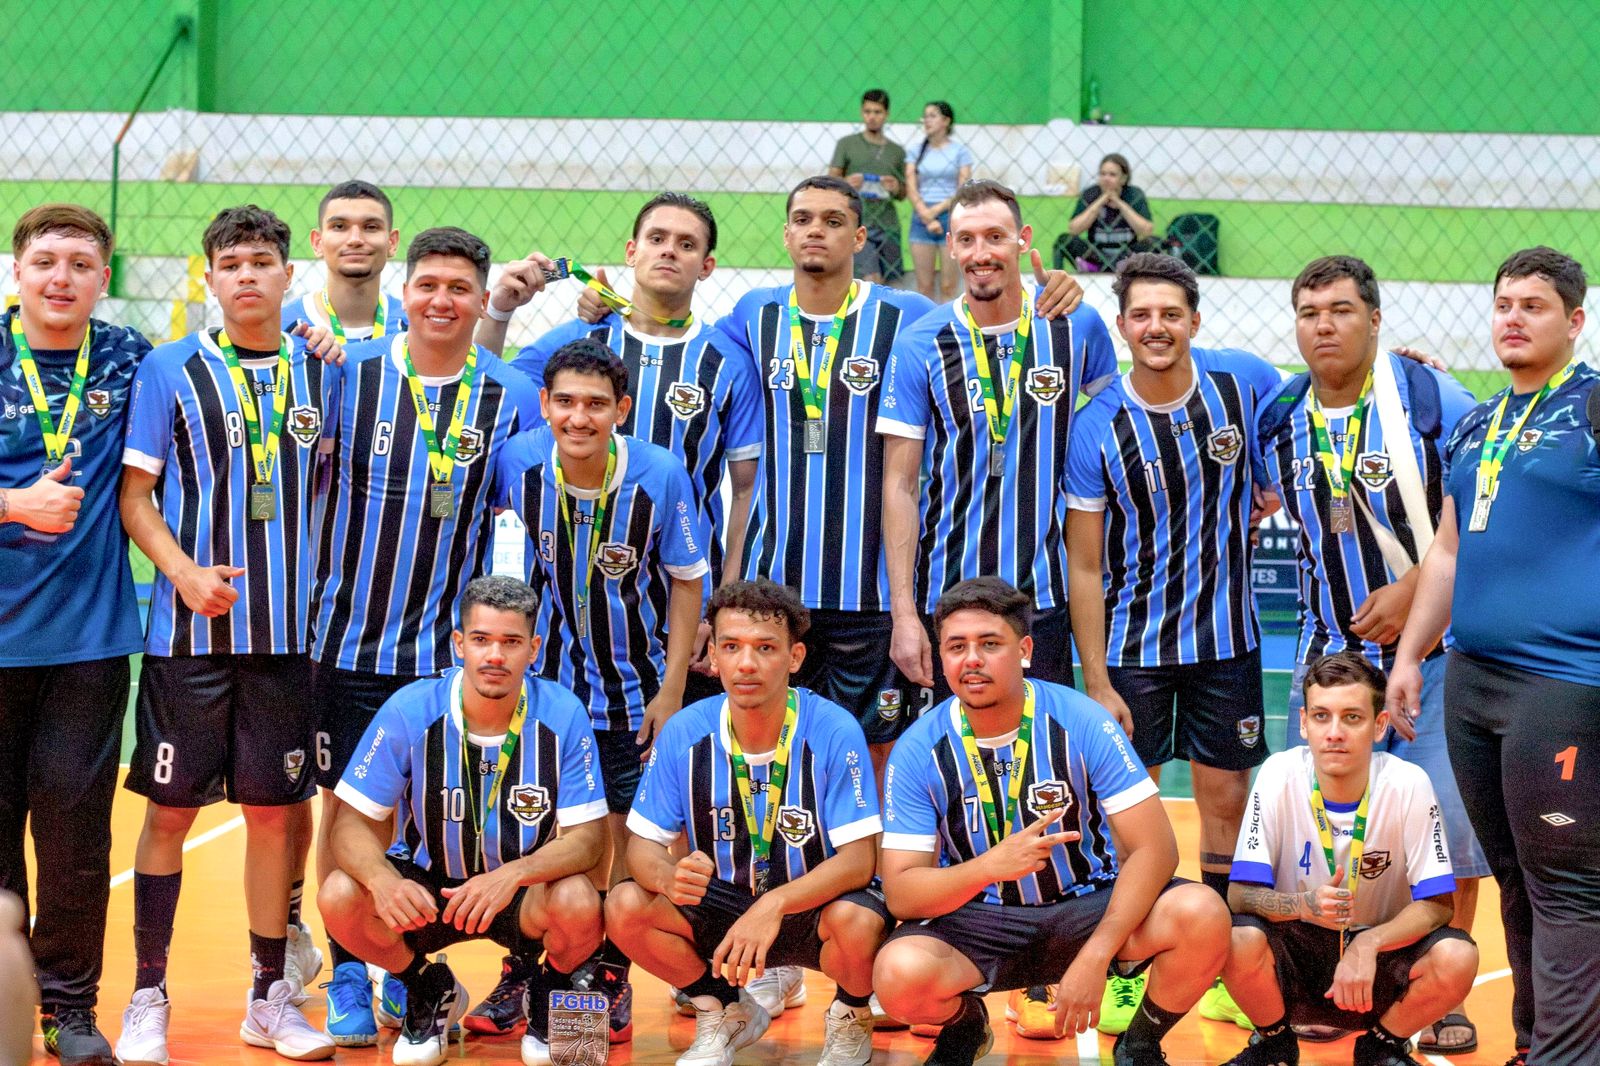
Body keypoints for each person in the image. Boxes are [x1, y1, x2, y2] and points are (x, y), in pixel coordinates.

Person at [116, 204, 337, 1062]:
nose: (247, 275)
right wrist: (183, 572)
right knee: (169, 814)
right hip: (189, 637)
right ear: (211, 278)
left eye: (262, 262)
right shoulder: (168, 370)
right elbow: (137, 497)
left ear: (289, 276)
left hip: (289, 638)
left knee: (275, 818)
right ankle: (147, 996)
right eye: (231, 263)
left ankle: (267, 997)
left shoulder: (328, 373)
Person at [310, 226, 540, 1043]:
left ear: (483, 302)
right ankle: (346, 975)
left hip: (446, 651)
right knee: (341, 811)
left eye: (459, 288)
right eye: (428, 284)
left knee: (440, 814)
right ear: (404, 292)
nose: (442, 300)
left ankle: (427, 969)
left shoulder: (510, 394)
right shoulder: (350, 375)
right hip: (346, 639)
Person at [1256, 255, 1487, 1051]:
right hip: (1326, 659)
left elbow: (1487, 512)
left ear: (1376, 319)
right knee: (1312, 831)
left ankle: (1441, 996)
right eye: (1309, 310)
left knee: (1446, 836)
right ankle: (1317, 979)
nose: (1324, 324)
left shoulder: (1431, 399)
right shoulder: (1278, 415)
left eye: (1342, 310)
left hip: (1440, 651)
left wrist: (1414, 588)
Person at [872, 577, 1230, 1066]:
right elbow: (903, 893)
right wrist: (990, 866)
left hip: (1087, 905)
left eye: (989, 644)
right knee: (897, 974)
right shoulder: (918, 750)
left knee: (1202, 913)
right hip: (980, 919)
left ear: (1024, 650)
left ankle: (1141, 1042)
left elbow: (1156, 849)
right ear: (942, 656)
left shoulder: (1082, 721)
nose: (971, 660)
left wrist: (1097, 954)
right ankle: (965, 1027)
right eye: (956, 647)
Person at [1388, 246, 1600, 1066]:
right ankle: (1533, 1044)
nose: (1513, 317)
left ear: (1574, 321)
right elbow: (1445, 552)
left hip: (1565, 685)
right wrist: (1411, 654)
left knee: (1571, 888)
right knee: (1515, 875)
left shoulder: (1591, 407)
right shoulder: (1479, 419)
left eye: (1534, 306)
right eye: (1504, 303)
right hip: (1474, 680)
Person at [1063, 252, 1280, 1036]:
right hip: (1133, 648)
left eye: (1172, 314)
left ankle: (1218, 956)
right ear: (1122, 327)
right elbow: (1083, 564)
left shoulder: (1242, 383)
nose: (1157, 327)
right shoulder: (1097, 425)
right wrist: (1096, 677)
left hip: (1228, 640)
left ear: (1195, 320)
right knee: (1138, 812)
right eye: (1142, 315)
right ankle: (1129, 960)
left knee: (1227, 802)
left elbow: (1323, 402)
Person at [493, 337, 710, 1040]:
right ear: (544, 406)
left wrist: (672, 688)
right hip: (546, 689)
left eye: (594, 404)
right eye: (564, 402)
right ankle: (528, 969)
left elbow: (686, 583)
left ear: (621, 409)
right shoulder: (518, 463)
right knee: (542, 833)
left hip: (635, 688)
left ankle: (607, 975)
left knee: (622, 836)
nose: (578, 417)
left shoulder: (659, 475)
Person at [482, 193, 761, 708]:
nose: (669, 251)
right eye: (657, 239)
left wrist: (719, 607)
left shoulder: (727, 362)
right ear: (632, 251)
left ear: (707, 266)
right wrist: (500, 308)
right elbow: (484, 385)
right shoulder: (582, 339)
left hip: (677, 604)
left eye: (686, 244)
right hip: (562, 603)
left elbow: (745, 495)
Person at [317, 575, 607, 1066]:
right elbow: (350, 825)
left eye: (511, 642)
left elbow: (589, 840)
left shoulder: (563, 712)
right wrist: (381, 879)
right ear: (459, 645)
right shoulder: (411, 708)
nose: (495, 655)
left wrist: (513, 874)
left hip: (519, 892)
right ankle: (427, 987)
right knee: (340, 895)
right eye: (481, 640)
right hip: (430, 891)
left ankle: (547, 992)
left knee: (580, 899)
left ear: (534, 648)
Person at [607, 578, 889, 1066]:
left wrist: (774, 904)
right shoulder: (685, 731)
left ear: (795, 657)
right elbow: (641, 848)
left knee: (860, 920)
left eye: (765, 648)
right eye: (732, 647)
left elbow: (859, 863)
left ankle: (850, 1014)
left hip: (811, 902)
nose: (746, 664)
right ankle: (723, 1008)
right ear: (713, 656)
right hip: (724, 900)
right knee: (626, 905)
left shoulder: (834, 728)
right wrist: (668, 876)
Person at [0, 204, 151, 1066]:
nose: (61, 278)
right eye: (45, 261)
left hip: (86, 649)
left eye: (81, 263)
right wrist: (14, 504)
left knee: (72, 836)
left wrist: (319, 343)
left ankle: (67, 1008)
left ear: (104, 276)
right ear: (16, 271)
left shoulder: (133, 357)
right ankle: (3, 995)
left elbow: (245, 356)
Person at [880, 179, 1116, 704]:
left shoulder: (1076, 326)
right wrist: (903, 614)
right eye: (966, 239)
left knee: (1047, 764)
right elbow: (899, 484)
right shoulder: (922, 341)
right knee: (953, 763)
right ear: (951, 248)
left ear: (1023, 240)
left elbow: (1122, 423)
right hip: (946, 590)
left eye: (995, 237)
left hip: (1045, 594)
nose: (980, 253)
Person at [1220, 651, 1479, 1066]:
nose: (1334, 733)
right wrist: (1302, 905)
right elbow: (1238, 896)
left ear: (1379, 726)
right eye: (1322, 717)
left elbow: (1438, 905)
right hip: (1299, 952)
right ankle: (1274, 1043)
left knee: (1458, 956)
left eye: (1352, 718)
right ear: (1303, 722)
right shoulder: (1277, 774)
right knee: (1234, 937)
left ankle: (1381, 1047)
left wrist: (1369, 944)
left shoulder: (1407, 783)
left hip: (1380, 959)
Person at [281, 180, 406, 343]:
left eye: (371, 227)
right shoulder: (283, 328)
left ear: (392, 242)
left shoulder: (414, 328)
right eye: (339, 226)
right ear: (317, 242)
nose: (355, 239)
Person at [828, 89, 908, 286]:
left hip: (888, 225)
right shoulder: (847, 144)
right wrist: (846, 182)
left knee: (892, 283)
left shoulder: (897, 152)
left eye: (877, 112)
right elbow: (830, 181)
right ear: (862, 113)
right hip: (859, 223)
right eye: (867, 111)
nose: (872, 117)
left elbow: (904, 194)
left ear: (886, 114)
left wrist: (896, 187)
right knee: (870, 280)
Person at [904, 101, 974, 301]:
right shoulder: (916, 151)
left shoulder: (960, 152)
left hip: (949, 217)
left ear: (946, 121)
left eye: (932, 115)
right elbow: (910, 185)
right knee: (924, 287)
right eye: (925, 116)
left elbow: (963, 188)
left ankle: (947, 330)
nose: (927, 120)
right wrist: (924, 214)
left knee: (948, 286)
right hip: (921, 219)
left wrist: (936, 211)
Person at [1063, 154, 1155, 272]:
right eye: (1103, 174)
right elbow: (1074, 229)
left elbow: (1147, 230)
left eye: (1112, 175)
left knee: (1153, 241)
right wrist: (1101, 201)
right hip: (1096, 253)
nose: (1106, 178)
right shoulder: (1090, 193)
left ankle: (1123, 267)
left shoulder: (1134, 194)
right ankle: (1098, 266)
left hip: (1127, 253)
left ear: (1123, 178)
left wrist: (1120, 203)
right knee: (1065, 239)